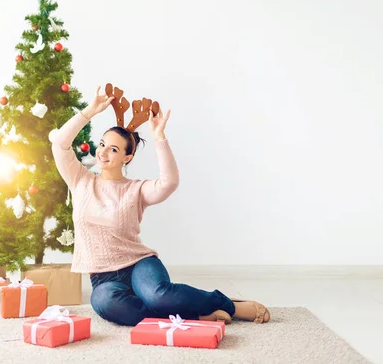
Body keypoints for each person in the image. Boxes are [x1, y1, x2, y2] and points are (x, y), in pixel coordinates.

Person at [51, 84, 270, 326]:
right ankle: (194, 315)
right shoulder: (80, 180)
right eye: (102, 144)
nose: (103, 152)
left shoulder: (136, 189)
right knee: (105, 304)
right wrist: (89, 111)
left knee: (159, 295)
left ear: (127, 157)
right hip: (103, 279)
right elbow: (59, 143)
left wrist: (159, 137)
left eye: (113, 149)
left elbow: (169, 182)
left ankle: (227, 304)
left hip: (138, 265)